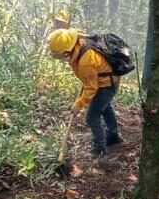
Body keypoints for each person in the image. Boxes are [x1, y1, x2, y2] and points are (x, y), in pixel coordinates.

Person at [48, 28, 122, 157]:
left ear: (66, 51)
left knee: (92, 117)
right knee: (105, 107)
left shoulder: (85, 62)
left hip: (106, 85)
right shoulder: (79, 41)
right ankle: (113, 135)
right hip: (107, 79)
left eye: (59, 55)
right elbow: (90, 80)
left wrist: (79, 104)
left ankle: (99, 148)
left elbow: (91, 88)